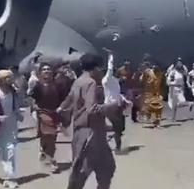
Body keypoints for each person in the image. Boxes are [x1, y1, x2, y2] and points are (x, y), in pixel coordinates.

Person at [58, 53, 123, 189]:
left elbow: (67, 101)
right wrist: (114, 105)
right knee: (86, 171)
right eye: (100, 68)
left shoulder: (78, 81)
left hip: (86, 132)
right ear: (96, 68)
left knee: (104, 168)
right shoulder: (91, 83)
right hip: (91, 135)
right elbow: (92, 109)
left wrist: (61, 110)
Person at [30, 64, 63, 172]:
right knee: (49, 136)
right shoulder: (38, 86)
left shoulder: (57, 85)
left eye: (48, 69)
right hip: (42, 113)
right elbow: (32, 99)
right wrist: (34, 107)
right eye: (44, 70)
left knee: (51, 137)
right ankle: (52, 161)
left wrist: (62, 108)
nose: (46, 71)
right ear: (40, 73)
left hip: (54, 113)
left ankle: (44, 150)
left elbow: (63, 98)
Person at [102, 52, 129, 153]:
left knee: (121, 128)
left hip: (117, 106)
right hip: (110, 107)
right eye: (113, 70)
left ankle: (113, 139)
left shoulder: (115, 80)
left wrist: (125, 100)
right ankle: (117, 147)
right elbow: (109, 69)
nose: (115, 71)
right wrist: (111, 57)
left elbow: (117, 93)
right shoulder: (106, 80)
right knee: (117, 128)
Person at [139, 62, 164, 127]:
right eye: (154, 66)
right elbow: (141, 79)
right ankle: (148, 118)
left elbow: (162, 84)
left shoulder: (160, 74)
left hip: (157, 93)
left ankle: (157, 123)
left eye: (156, 67)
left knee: (158, 108)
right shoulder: (148, 72)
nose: (155, 68)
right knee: (148, 107)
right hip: (149, 93)